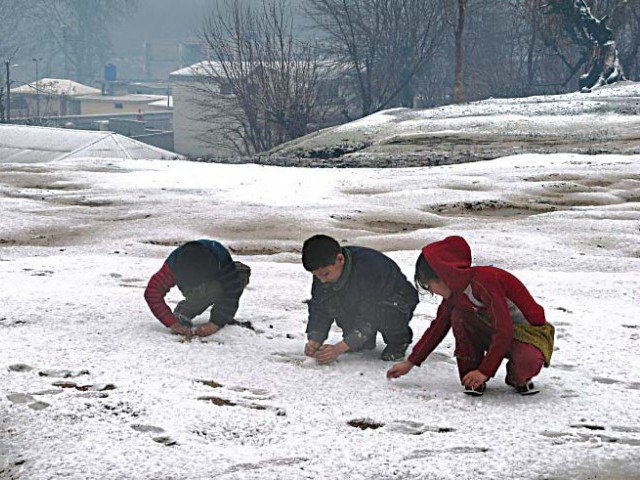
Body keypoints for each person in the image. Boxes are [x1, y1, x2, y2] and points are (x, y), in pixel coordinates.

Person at [387, 236, 554, 396]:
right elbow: (438, 327)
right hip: (495, 330)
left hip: (528, 334)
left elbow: (504, 330)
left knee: (527, 361)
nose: (431, 291)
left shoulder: (484, 282)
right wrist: (411, 362)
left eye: (428, 284)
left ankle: (517, 378)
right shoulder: (455, 294)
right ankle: (471, 377)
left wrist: (484, 371)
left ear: (444, 276)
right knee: (459, 315)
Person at [302, 234, 418, 364]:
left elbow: (371, 316)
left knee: (386, 313)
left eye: (325, 274)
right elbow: (320, 305)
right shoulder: (324, 272)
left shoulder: (370, 266)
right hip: (357, 301)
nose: (322, 280)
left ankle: (399, 342)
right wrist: (315, 338)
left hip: (395, 301)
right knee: (334, 303)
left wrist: (339, 348)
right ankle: (362, 342)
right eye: (317, 276)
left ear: (340, 259)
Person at [144, 240, 250, 337]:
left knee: (241, 274)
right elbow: (152, 292)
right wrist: (172, 323)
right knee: (213, 289)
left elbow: (232, 289)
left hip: (215, 274)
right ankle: (185, 311)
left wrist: (216, 322)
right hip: (190, 283)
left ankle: (223, 313)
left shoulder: (220, 257)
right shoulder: (174, 265)